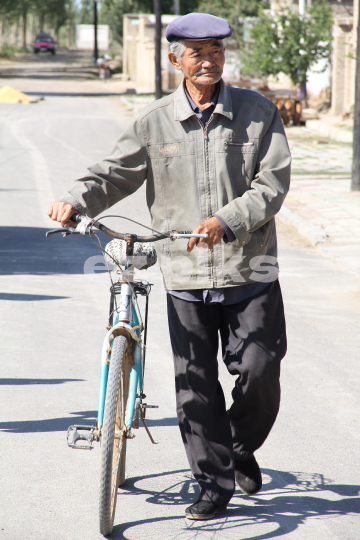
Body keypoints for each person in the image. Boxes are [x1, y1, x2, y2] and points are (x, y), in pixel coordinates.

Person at [48, 12, 291, 521]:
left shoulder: (257, 111)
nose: (209, 59)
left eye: (217, 50)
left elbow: (271, 186)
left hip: (250, 267)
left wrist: (226, 220)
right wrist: (76, 199)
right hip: (184, 273)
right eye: (197, 51)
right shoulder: (154, 121)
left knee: (261, 372)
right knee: (194, 384)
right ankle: (213, 483)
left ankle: (239, 446)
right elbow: (114, 173)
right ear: (174, 58)